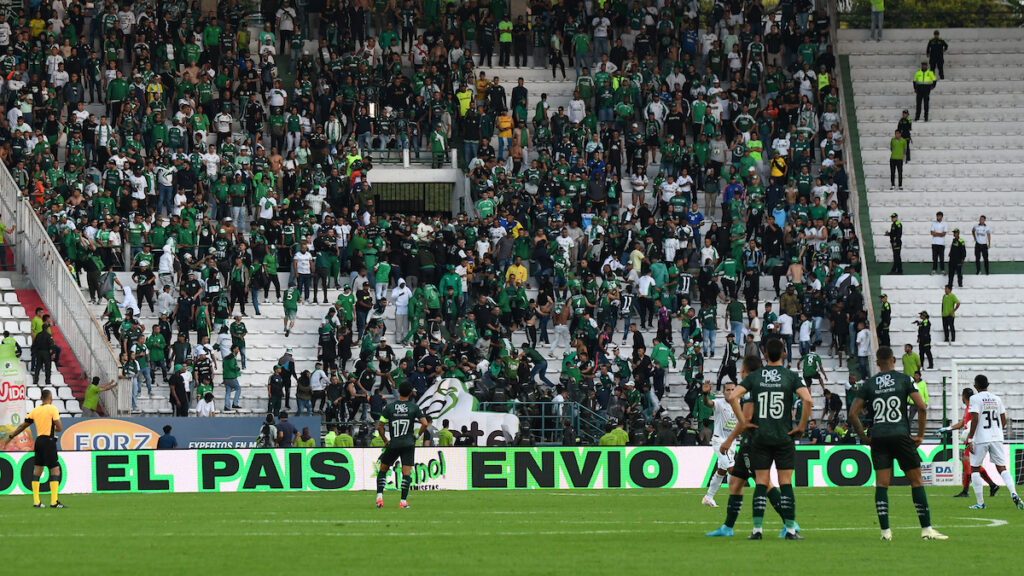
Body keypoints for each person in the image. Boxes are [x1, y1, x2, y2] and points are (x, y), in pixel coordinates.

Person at [849, 346, 948, 540]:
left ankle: (885, 532)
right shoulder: (905, 379)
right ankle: (926, 529)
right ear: (894, 360)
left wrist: (864, 437)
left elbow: (853, 413)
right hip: (901, 434)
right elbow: (921, 407)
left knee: (882, 484)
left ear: (877, 362)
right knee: (916, 481)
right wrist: (919, 435)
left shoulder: (869, 383)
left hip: (879, 436)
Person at [726, 338, 812, 539]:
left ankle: (757, 530)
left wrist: (743, 422)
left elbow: (732, 397)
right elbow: (807, 399)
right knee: (785, 483)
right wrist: (801, 426)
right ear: (784, 354)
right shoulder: (791, 376)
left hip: (760, 436)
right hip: (784, 436)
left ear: (765, 355)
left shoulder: (756, 376)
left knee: (762, 482)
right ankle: (790, 530)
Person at [707, 356, 791, 538]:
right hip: (753, 440)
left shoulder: (750, 388)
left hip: (753, 442)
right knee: (736, 483)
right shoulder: (761, 385)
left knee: (764, 483)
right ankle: (727, 528)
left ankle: (790, 523)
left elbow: (745, 420)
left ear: (744, 369)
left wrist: (729, 440)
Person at [962, 375, 1023, 510]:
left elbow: (975, 419)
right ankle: (1014, 493)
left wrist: (970, 439)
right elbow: (1004, 419)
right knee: (1002, 468)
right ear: (987, 385)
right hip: (997, 437)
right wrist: (996, 431)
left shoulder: (974, 398)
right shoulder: (997, 398)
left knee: (975, 468)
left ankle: (980, 503)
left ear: (976, 386)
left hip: (981, 438)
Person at [4, 389, 64, 507]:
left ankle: (36, 501)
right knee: (55, 470)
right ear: (51, 399)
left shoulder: (35, 411)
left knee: (37, 471)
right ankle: (54, 501)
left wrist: (11, 436)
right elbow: (60, 427)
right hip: (49, 441)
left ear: (41, 399)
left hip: (39, 442)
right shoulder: (52, 409)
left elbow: (23, 425)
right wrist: (54, 430)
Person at [375, 381, 430, 509]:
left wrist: (385, 440)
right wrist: (416, 436)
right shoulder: (414, 407)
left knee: (383, 469)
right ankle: (403, 502)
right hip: (408, 443)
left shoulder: (389, 407)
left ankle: (379, 499)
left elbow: (380, 426)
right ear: (410, 393)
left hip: (393, 443)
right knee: (406, 473)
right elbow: (425, 423)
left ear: (398, 391)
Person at [940, 388, 999, 498]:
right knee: (971, 464)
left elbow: (975, 423)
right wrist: (948, 428)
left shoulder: (972, 408)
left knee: (968, 463)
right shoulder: (969, 408)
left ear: (963, 396)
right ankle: (992, 485)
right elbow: (963, 423)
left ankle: (966, 490)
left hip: (973, 440)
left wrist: (972, 438)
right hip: (970, 439)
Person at [700, 380, 738, 508]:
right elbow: (707, 403)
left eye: (733, 389)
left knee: (722, 471)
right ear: (723, 392)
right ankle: (734, 500)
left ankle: (708, 497)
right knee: (732, 469)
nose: (731, 392)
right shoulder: (719, 404)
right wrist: (705, 394)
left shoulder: (739, 405)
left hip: (732, 443)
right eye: (728, 390)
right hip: (719, 442)